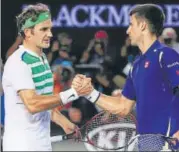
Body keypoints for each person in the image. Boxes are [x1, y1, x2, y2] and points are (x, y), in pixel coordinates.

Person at [72, 4, 179, 149]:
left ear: (142, 26)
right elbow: (122, 107)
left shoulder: (165, 55)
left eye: (131, 24)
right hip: (146, 144)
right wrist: (90, 93)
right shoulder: (136, 65)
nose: (128, 31)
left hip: (169, 143)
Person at [2, 3, 92, 151]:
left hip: (42, 144)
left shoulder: (41, 58)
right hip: (21, 146)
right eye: (44, 29)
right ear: (28, 32)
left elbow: (45, 101)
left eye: (50, 29)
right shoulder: (19, 62)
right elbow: (33, 104)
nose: (50, 34)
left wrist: (64, 122)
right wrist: (74, 93)